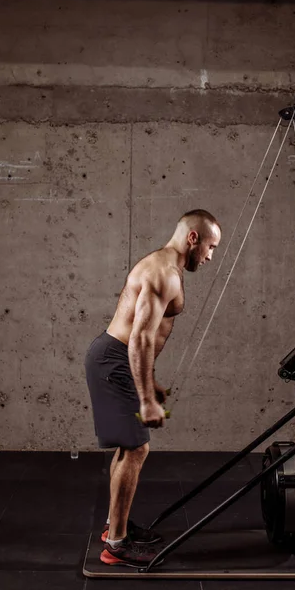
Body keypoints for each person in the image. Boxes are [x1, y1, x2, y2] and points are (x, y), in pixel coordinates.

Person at [84, 209, 221, 567]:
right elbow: (141, 339)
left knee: (130, 447)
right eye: (210, 246)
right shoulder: (164, 274)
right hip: (114, 360)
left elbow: (143, 337)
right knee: (137, 449)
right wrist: (145, 399)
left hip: (115, 361)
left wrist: (150, 383)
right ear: (193, 237)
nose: (210, 256)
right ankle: (116, 544)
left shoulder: (166, 268)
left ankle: (117, 525)